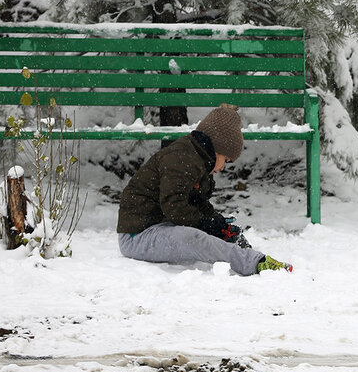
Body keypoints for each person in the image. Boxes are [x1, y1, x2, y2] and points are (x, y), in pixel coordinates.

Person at [117, 103, 293, 275]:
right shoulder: (181, 158)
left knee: (204, 231)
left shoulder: (197, 160)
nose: (224, 166)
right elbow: (175, 207)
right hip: (137, 236)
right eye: (227, 159)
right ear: (217, 149)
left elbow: (198, 204)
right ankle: (254, 263)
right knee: (193, 238)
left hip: (162, 225)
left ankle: (242, 253)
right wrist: (208, 225)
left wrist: (219, 225)